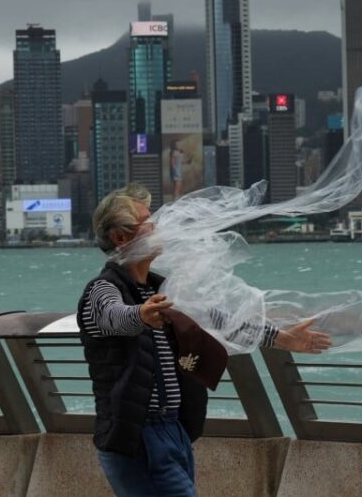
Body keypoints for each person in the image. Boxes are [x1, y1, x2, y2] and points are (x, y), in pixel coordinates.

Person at [77, 183, 331, 496]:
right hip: (137, 434)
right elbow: (113, 315)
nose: (159, 229)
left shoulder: (162, 288)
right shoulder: (103, 289)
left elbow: (220, 320)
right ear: (120, 237)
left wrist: (281, 338)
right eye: (149, 223)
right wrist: (141, 315)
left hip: (174, 429)